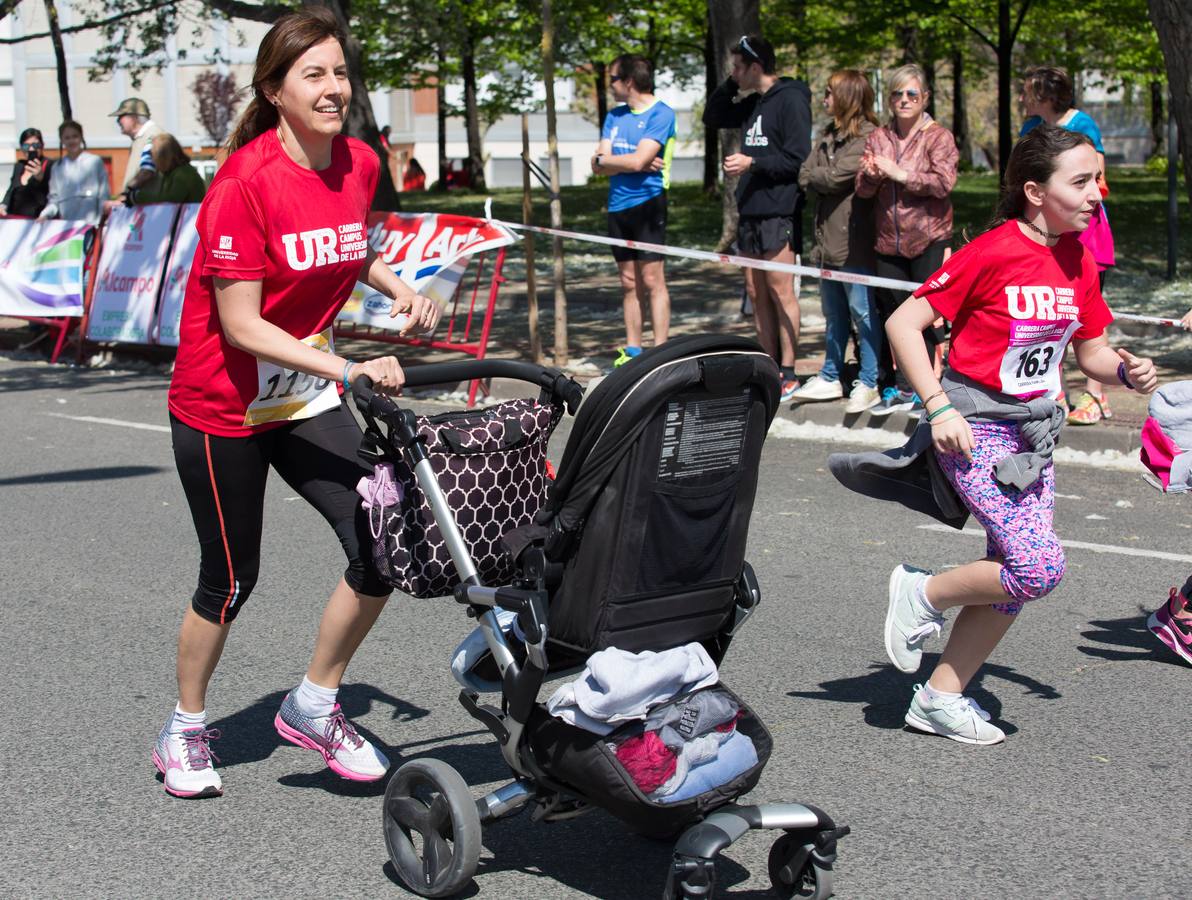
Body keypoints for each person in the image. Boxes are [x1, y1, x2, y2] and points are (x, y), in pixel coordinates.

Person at [157, 7, 441, 799]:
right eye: (313, 74)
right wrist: (344, 366)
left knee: (387, 536)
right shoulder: (243, 182)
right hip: (223, 406)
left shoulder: (354, 161)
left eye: (340, 72)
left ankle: (315, 703)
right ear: (276, 90)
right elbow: (240, 325)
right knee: (231, 577)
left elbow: (349, 243)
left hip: (305, 393)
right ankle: (185, 727)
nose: (333, 88)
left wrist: (399, 287)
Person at [835, 124, 1157, 745]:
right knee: (1037, 567)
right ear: (1036, 191)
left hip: (1032, 438)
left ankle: (939, 697)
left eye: (1100, 180)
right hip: (973, 427)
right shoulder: (992, 250)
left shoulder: (1078, 260)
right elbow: (905, 323)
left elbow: (1089, 350)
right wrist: (937, 407)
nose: (1098, 194)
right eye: (1083, 181)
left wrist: (1125, 369)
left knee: (1010, 569)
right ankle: (922, 591)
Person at [703, 34, 811, 400]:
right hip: (750, 211)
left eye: (738, 66)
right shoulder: (753, 103)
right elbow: (712, 115)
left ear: (756, 67)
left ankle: (790, 370)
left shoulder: (792, 98)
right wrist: (733, 83)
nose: (733, 73)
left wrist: (753, 163)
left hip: (778, 209)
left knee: (781, 290)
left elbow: (798, 160)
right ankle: (768, 364)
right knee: (756, 291)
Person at [856, 64, 959, 416]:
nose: (904, 100)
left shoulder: (938, 137)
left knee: (925, 315)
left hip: (928, 238)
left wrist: (901, 174)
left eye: (911, 94)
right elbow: (862, 189)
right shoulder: (879, 138)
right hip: (888, 242)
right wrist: (871, 177)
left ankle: (930, 387)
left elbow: (944, 183)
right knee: (893, 314)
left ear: (925, 98)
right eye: (897, 94)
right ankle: (900, 386)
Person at [1020, 66, 1116, 426]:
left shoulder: (1083, 124)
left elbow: (1100, 181)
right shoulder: (1030, 128)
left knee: (1089, 309)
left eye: (1027, 91)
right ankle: (1051, 389)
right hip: (1041, 228)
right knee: (1046, 308)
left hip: (1083, 229)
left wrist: (1070, 193)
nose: (1021, 97)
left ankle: (1096, 393)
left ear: (1044, 94)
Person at [792, 69, 881, 413]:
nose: (824, 98)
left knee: (862, 312)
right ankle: (830, 374)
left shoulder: (869, 137)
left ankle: (870, 380)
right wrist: (820, 177)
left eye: (830, 92)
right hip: (825, 241)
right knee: (833, 313)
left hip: (853, 240)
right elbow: (806, 174)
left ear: (846, 97)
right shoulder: (828, 134)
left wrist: (820, 177)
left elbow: (833, 178)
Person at [591, 53, 676, 367]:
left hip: (649, 204)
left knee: (652, 279)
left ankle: (663, 351)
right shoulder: (615, 116)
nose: (609, 85)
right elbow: (598, 163)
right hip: (617, 207)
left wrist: (613, 162)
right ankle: (633, 350)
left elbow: (635, 161)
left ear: (628, 81)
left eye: (613, 78)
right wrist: (621, 162)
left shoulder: (661, 114)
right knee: (628, 281)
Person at [39, 121, 109, 225]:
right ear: (62, 141)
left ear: (81, 137)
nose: (71, 141)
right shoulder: (57, 167)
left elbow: (104, 196)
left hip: (92, 226)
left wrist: (102, 223)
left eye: (75, 136)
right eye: (67, 138)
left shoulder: (95, 162)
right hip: (69, 229)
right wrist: (44, 215)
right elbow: (54, 200)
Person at [128, 134, 206, 205]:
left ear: (163, 157)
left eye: (153, 155)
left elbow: (170, 201)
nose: (152, 159)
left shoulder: (184, 174)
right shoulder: (172, 173)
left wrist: (137, 197)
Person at [110, 97, 162, 196]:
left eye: (121, 116)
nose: (118, 121)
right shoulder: (141, 138)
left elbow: (147, 170)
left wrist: (126, 195)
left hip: (150, 207)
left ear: (134, 118)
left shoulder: (153, 135)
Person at [1, 128, 52, 218]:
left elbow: (51, 196)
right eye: (26, 146)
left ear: (42, 146)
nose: (31, 149)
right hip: (15, 220)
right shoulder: (19, 166)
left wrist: (41, 178)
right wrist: (3, 206)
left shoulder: (50, 165)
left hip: (38, 221)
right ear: (21, 148)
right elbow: (11, 190)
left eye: (35, 145)